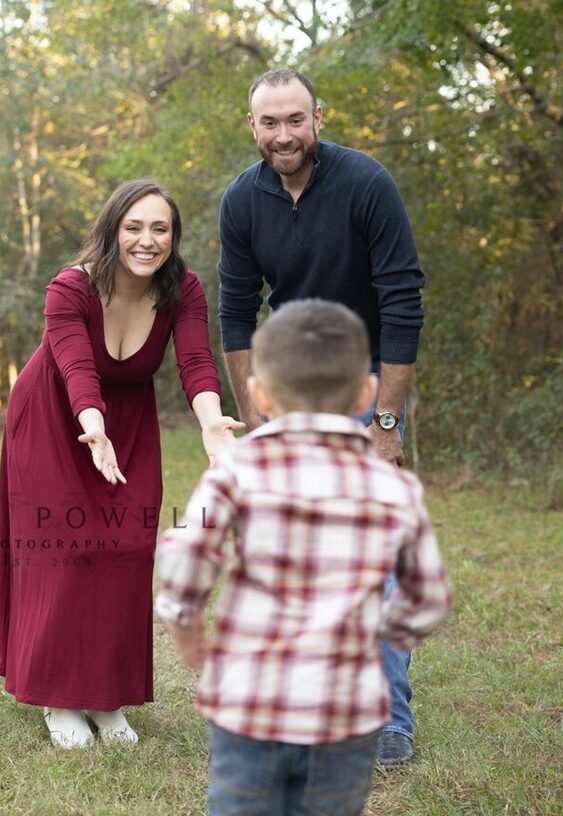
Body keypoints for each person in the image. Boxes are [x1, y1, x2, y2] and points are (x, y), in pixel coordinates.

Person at [156, 300, 451, 816]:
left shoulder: (237, 472)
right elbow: (426, 598)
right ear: (365, 393)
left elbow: (184, 556)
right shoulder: (390, 486)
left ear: (259, 394)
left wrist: (192, 641)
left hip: (248, 705)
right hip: (348, 713)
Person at [0, 179, 243, 749]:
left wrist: (211, 423)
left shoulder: (184, 290)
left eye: (160, 229)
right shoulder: (69, 287)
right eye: (134, 227)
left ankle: (106, 698)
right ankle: (58, 699)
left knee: (126, 546)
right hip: (56, 416)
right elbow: (75, 366)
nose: (147, 240)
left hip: (128, 419)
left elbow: (196, 360)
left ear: (173, 238)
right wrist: (92, 427)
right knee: (66, 548)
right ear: (112, 230)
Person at [217, 68, 426, 765]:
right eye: (270, 122)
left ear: (318, 119)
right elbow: (236, 311)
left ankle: (388, 716)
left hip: (363, 381)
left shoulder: (366, 184)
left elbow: (402, 299)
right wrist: (254, 419)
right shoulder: (242, 201)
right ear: (252, 127)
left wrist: (386, 424)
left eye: (295, 120)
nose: (284, 134)